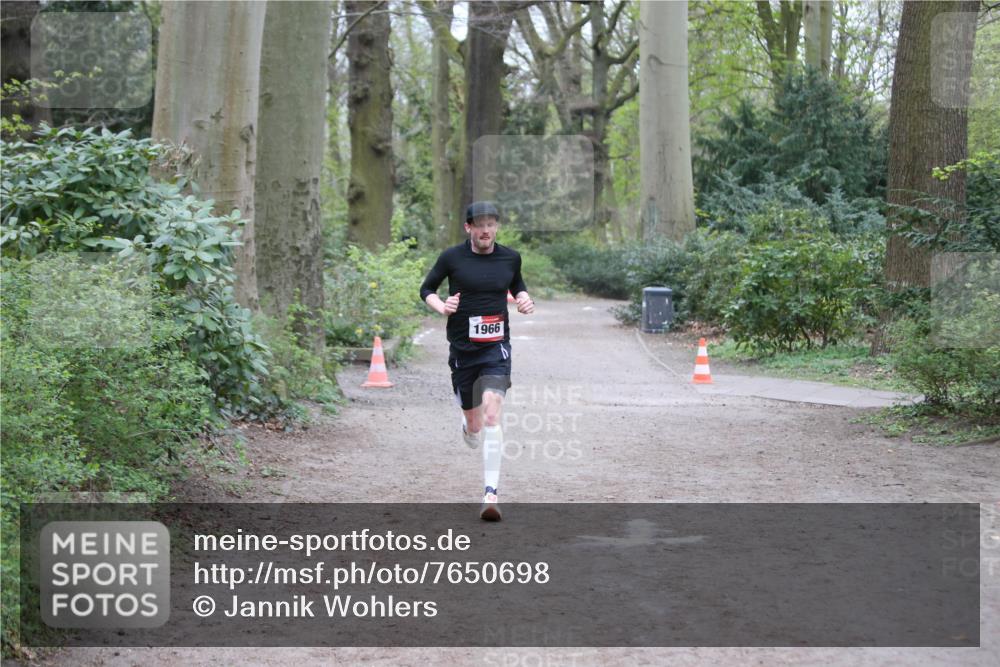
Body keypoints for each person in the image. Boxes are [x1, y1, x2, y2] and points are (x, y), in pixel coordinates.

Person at [419, 201, 534, 521]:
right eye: (479, 224)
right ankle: (469, 426)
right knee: (475, 423)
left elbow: (517, 285)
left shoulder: (510, 257)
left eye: (491, 224)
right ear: (468, 227)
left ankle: (490, 494)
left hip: (496, 347)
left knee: (493, 414)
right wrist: (442, 306)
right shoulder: (452, 258)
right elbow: (426, 288)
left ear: (497, 227)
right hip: (462, 349)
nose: (486, 230)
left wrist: (524, 298)